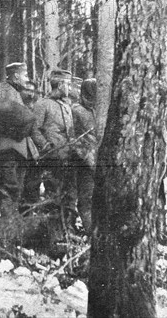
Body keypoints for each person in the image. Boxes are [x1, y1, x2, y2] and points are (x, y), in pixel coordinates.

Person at [0, 62, 38, 218]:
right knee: (9, 189)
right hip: (7, 148)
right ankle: (8, 228)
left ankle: (15, 228)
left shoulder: (14, 92)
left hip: (17, 150)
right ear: (16, 76)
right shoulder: (2, 90)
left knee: (16, 190)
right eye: (25, 75)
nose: (27, 79)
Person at [30, 69, 77, 228]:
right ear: (60, 84)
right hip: (52, 157)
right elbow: (34, 129)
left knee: (69, 195)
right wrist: (45, 146)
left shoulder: (67, 105)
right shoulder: (42, 104)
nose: (69, 89)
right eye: (68, 85)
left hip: (68, 156)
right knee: (53, 195)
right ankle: (53, 232)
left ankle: (68, 229)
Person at [71, 78, 98, 233]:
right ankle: (89, 231)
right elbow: (73, 137)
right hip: (83, 161)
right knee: (85, 198)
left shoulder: (96, 110)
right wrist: (85, 155)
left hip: (97, 159)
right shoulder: (76, 110)